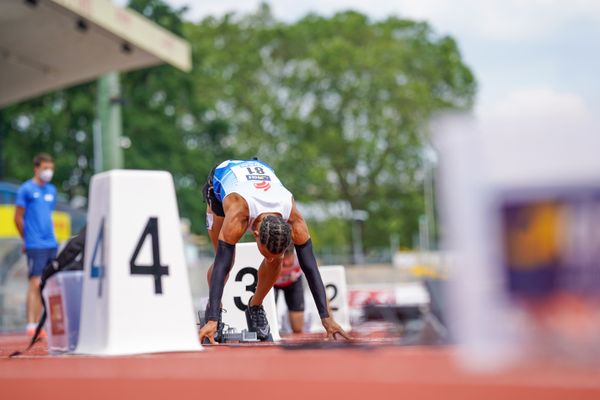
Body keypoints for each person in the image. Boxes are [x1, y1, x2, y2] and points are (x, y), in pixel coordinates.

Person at [199, 159, 349, 343]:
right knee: (226, 262)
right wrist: (212, 319)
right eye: (266, 254)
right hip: (222, 180)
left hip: (259, 175)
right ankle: (215, 314)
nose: (269, 260)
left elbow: (310, 268)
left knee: (276, 261)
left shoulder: (294, 220)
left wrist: (327, 319)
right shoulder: (237, 214)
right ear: (255, 234)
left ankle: (255, 307)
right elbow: (221, 265)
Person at [14, 153, 58, 337]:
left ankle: (43, 324)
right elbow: (17, 218)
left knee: (48, 284)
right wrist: (27, 239)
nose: (48, 172)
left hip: (51, 243)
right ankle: (31, 324)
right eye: (45, 168)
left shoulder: (51, 190)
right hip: (35, 244)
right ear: (36, 168)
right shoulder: (25, 189)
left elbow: (47, 215)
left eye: (51, 168)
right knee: (35, 282)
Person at [274, 244, 305, 333]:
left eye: (289, 258)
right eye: (283, 259)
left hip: (293, 283)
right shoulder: (269, 254)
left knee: (297, 327)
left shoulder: (301, 256)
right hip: (272, 283)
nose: (286, 263)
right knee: (268, 314)